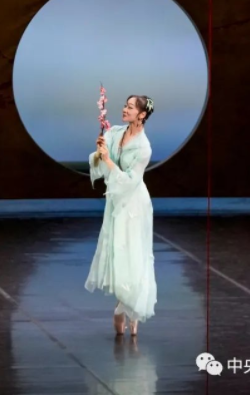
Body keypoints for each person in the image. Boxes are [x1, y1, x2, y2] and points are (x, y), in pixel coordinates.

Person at [85, 94, 157, 336]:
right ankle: (124, 303)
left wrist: (107, 160)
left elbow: (129, 181)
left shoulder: (144, 147)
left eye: (130, 107)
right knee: (117, 251)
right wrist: (100, 153)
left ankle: (129, 307)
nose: (125, 109)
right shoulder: (115, 132)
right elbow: (99, 160)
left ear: (142, 115)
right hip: (116, 201)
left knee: (133, 254)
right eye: (125, 105)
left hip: (134, 203)